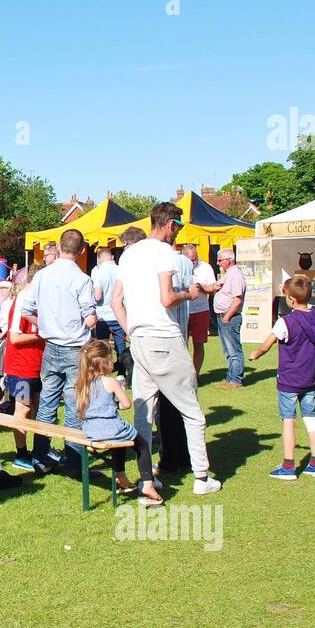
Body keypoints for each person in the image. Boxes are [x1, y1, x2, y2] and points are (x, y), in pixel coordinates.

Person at [111, 202, 222, 495]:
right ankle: (201, 477)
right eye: (179, 227)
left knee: (142, 413)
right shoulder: (164, 253)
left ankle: (147, 477)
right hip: (164, 337)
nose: (178, 233)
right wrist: (189, 294)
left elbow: (115, 302)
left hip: (140, 341)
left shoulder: (129, 253)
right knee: (192, 411)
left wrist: (131, 331)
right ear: (171, 225)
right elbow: (166, 297)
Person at [16, 228, 96, 476]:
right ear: (82, 250)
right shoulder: (82, 279)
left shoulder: (42, 276)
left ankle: (41, 458)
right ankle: (73, 462)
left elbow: (26, 309)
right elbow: (91, 319)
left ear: (60, 247)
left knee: (48, 404)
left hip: (50, 346)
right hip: (74, 347)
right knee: (73, 405)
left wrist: (46, 323)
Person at [250, 275, 315, 480]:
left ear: (291, 299)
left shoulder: (285, 322)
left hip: (289, 380)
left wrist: (255, 354)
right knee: (311, 418)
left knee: (288, 420)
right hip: (309, 379)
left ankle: (289, 465)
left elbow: (267, 344)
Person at [74, 339, 160, 503]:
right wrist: (114, 405)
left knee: (119, 441)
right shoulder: (111, 382)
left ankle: (121, 476)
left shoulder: (81, 384)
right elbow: (126, 404)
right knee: (141, 445)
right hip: (111, 428)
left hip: (90, 430)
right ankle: (148, 483)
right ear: (104, 362)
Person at [3, 277, 45, 470]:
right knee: (23, 409)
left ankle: (39, 452)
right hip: (21, 368)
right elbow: (14, 337)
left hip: (38, 365)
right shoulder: (23, 300)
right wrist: (42, 334)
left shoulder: (39, 299)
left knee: (38, 409)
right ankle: (21, 454)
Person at [213, 248, 246, 387]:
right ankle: (231, 377)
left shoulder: (235, 275)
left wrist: (227, 316)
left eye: (220, 260)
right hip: (225, 316)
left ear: (229, 260)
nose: (218, 263)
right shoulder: (229, 274)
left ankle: (235, 379)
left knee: (233, 350)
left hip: (230, 317)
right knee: (228, 350)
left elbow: (237, 299)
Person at [183, 243, 219, 374]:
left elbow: (213, 288)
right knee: (181, 345)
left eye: (195, 258)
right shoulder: (179, 266)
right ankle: (184, 374)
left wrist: (201, 287)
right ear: (184, 256)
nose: (194, 262)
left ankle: (195, 374)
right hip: (183, 311)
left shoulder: (205, 267)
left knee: (199, 344)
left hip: (200, 311)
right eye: (191, 260)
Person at [90, 246, 126, 359]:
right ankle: (122, 371)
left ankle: (103, 371)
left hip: (103, 315)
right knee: (121, 346)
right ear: (112, 257)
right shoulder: (120, 269)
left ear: (99, 259)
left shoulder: (97, 271)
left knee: (102, 348)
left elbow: (97, 296)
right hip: (119, 313)